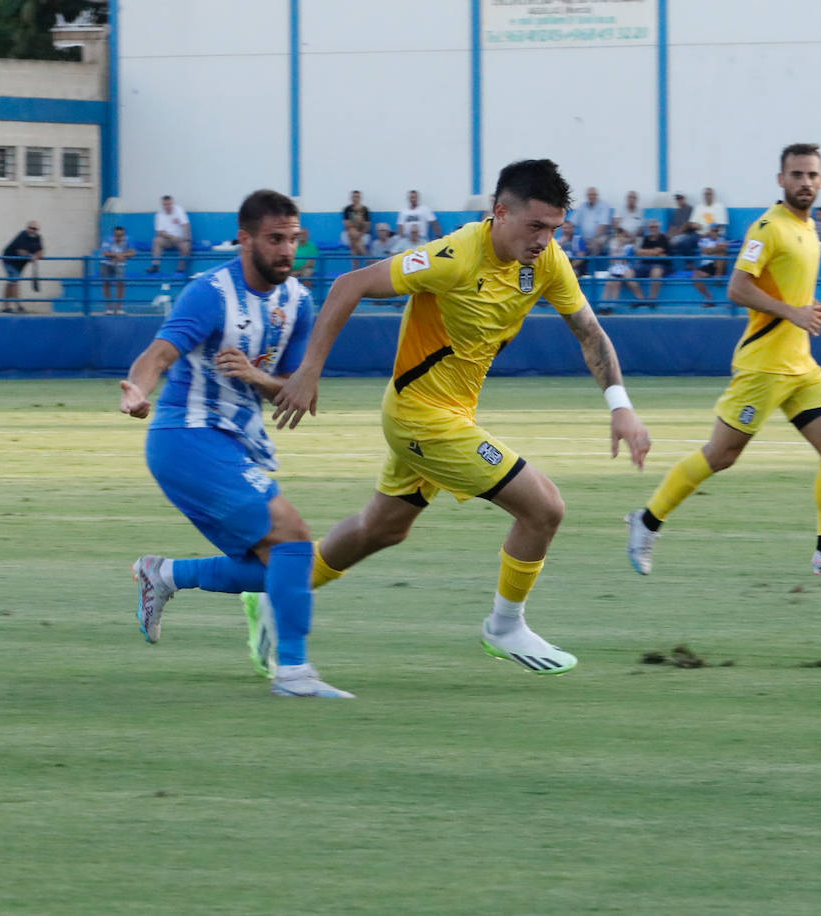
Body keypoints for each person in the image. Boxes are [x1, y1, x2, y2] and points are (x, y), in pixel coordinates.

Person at [262, 159, 650, 677]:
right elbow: (348, 285)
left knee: (380, 529)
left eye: (554, 229)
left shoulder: (547, 262)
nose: (544, 240)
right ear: (500, 213)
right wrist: (308, 371)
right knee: (545, 508)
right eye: (535, 226)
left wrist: (620, 407)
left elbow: (589, 331)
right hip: (422, 419)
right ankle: (505, 626)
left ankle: (275, 593)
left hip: (448, 415)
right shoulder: (453, 257)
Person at [118, 189, 352, 698]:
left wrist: (255, 376)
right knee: (291, 538)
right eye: (275, 239)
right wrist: (138, 390)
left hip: (235, 442)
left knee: (284, 565)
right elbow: (158, 354)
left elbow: (296, 391)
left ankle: (165, 575)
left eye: (293, 239)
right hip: (185, 436)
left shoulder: (297, 301)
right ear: (244, 239)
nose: (287, 250)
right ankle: (293, 673)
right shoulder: (210, 293)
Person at [624, 142, 821, 586]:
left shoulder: (810, 228)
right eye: (796, 174)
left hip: (800, 365)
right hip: (762, 368)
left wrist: (815, 308)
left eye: (812, 175)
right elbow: (738, 288)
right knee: (721, 455)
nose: (805, 182)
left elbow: (788, 295)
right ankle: (647, 521)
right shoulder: (768, 228)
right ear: (781, 179)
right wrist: (794, 313)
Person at [0, 221, 44, 311]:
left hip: (19, 264)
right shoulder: (22, 235)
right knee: (14, 281)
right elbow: (21, 251)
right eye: (31, 228)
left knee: (11, 282)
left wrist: (36, 256)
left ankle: (6, 306)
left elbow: (41, 251)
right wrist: (31, 256)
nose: (32, 230)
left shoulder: (37, 238)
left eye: (35, 229)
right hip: (9, 260)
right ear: (27, 228)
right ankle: (18, 305)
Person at [147, 195, 191, 274]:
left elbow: (186, 225)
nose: (167, 206)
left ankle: (180, 270)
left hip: (179, 239)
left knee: (186, 246)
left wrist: (186, 239)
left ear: (172, 203)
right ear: (162, 205)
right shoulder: (159, 214)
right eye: (165, 204)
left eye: (169, 204)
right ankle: (155, 266)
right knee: (156, 240)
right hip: (167, 239)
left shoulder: (179, 210)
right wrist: (171, 237)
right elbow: (159, 232)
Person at [635, 218, 671, 305]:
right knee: (628, 273)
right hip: (645, 265)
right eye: (651, 227)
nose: (653, 229)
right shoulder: (646, 239)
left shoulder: (663, 238)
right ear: (648, 229)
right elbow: (638, 253)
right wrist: (655, 253)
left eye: (655, 227)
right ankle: (641, 299)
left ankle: (652, 299)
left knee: (656, 271)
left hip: (662, 266)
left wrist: (646, 252)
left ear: (659, 227)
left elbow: (657, 252)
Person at [100, 225, 135, 312]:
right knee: (106, 283)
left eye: (121, 235)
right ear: (114, 234)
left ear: (124, 235)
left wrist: (120, 255)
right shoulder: (108, 239)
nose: (119, 237)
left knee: (120, 283)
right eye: (117, 235)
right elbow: (105, 253)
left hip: (120, 264)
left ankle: (119, 307)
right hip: (106, 263)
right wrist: (117, 255)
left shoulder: (128, 240)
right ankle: (109, 308)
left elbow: (132, 253)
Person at [692, 224, 727, 305]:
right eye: (713, 230)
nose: (715, 233)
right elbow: (706, 251)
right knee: (695, 278)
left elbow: (723, 249)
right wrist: (717, 249)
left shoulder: (722, 239)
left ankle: (718, 276)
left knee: (721, 254)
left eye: (717, 231)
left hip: (718, 265)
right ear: (709, 231)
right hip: (707, 266)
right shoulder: (704, 240)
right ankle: (709, 298)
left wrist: (713, 250)